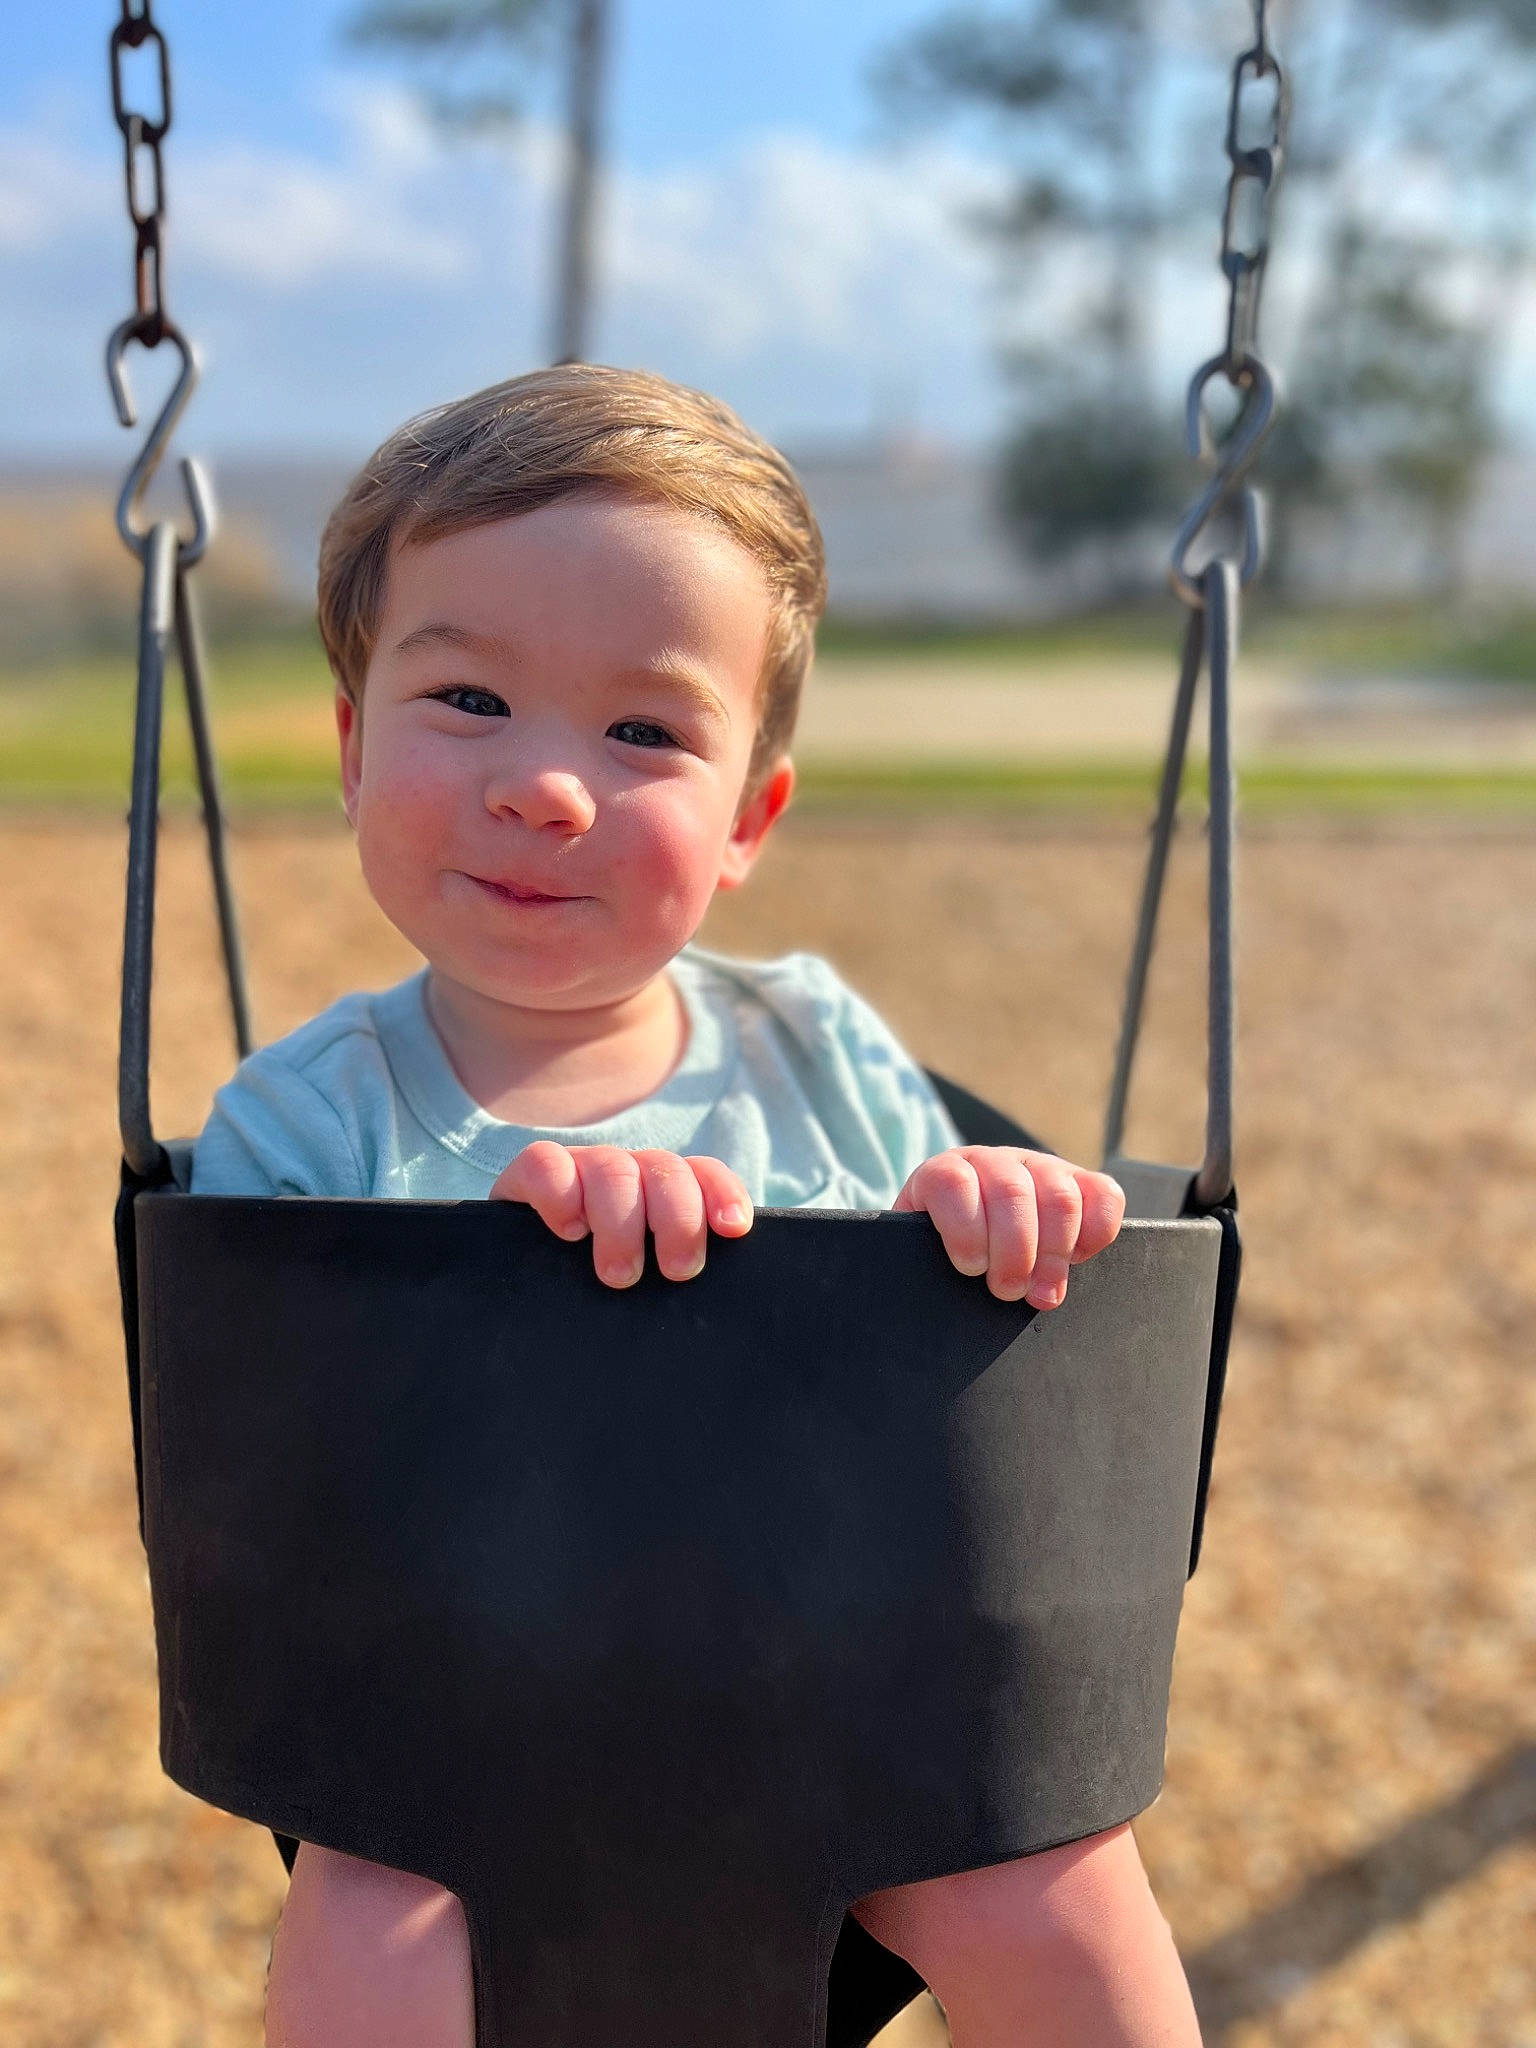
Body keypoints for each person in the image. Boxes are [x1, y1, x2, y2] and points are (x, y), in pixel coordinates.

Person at [192, 364, 1199, 2048]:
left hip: (838, 1691)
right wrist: (504, 1281)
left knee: (1056, 1879)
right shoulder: (302, 1125)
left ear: (750, 818)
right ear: (354, 745)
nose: (548, 788)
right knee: (368, 1924)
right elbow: (259, 1445)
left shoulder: (815, 1049)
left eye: (645, 731)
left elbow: (953, 1368)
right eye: (466, 702)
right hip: (457, 1729)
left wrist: (1000, 1215)